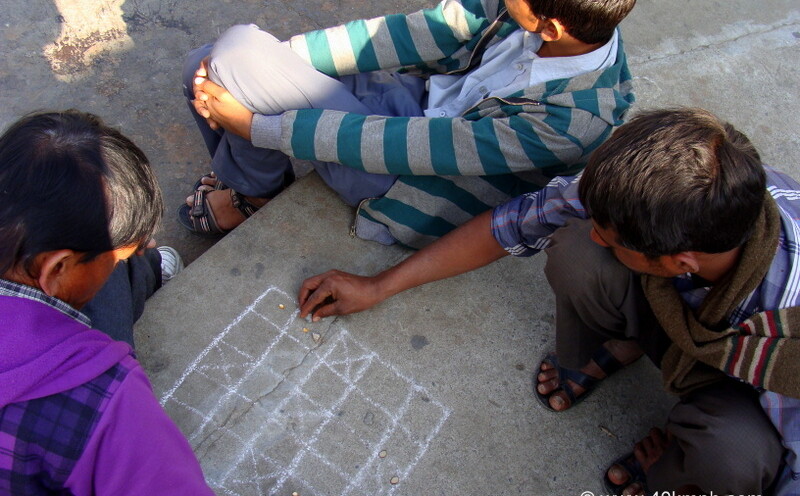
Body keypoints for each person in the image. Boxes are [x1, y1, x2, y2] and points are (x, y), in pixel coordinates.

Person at [295, 108, 800, 494]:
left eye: (615, 237)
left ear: (680, 261)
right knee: (578, 250)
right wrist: (379, 284)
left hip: (751, 381)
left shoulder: (786, 314)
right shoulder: (659, 187)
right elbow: (515, 223)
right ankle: (616, 347)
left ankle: (675, 468)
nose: (601, 236)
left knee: (732, 457)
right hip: (697, 318)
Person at [182, 0, 636, 247]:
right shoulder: (555, 18)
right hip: (414, 106)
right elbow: (407, 34)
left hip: (414, 181)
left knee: (232, 61)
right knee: (208, 64)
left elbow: (418, 148)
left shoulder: (573, 119)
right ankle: (255, 180)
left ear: (548, 27)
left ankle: (254, 191)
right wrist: (276, 62)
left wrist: (258, 127)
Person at [0, 110, 214, 494]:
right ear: (57, 268)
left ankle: (141, 269)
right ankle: (143, 270)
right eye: (115, 258)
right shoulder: (104, 403)